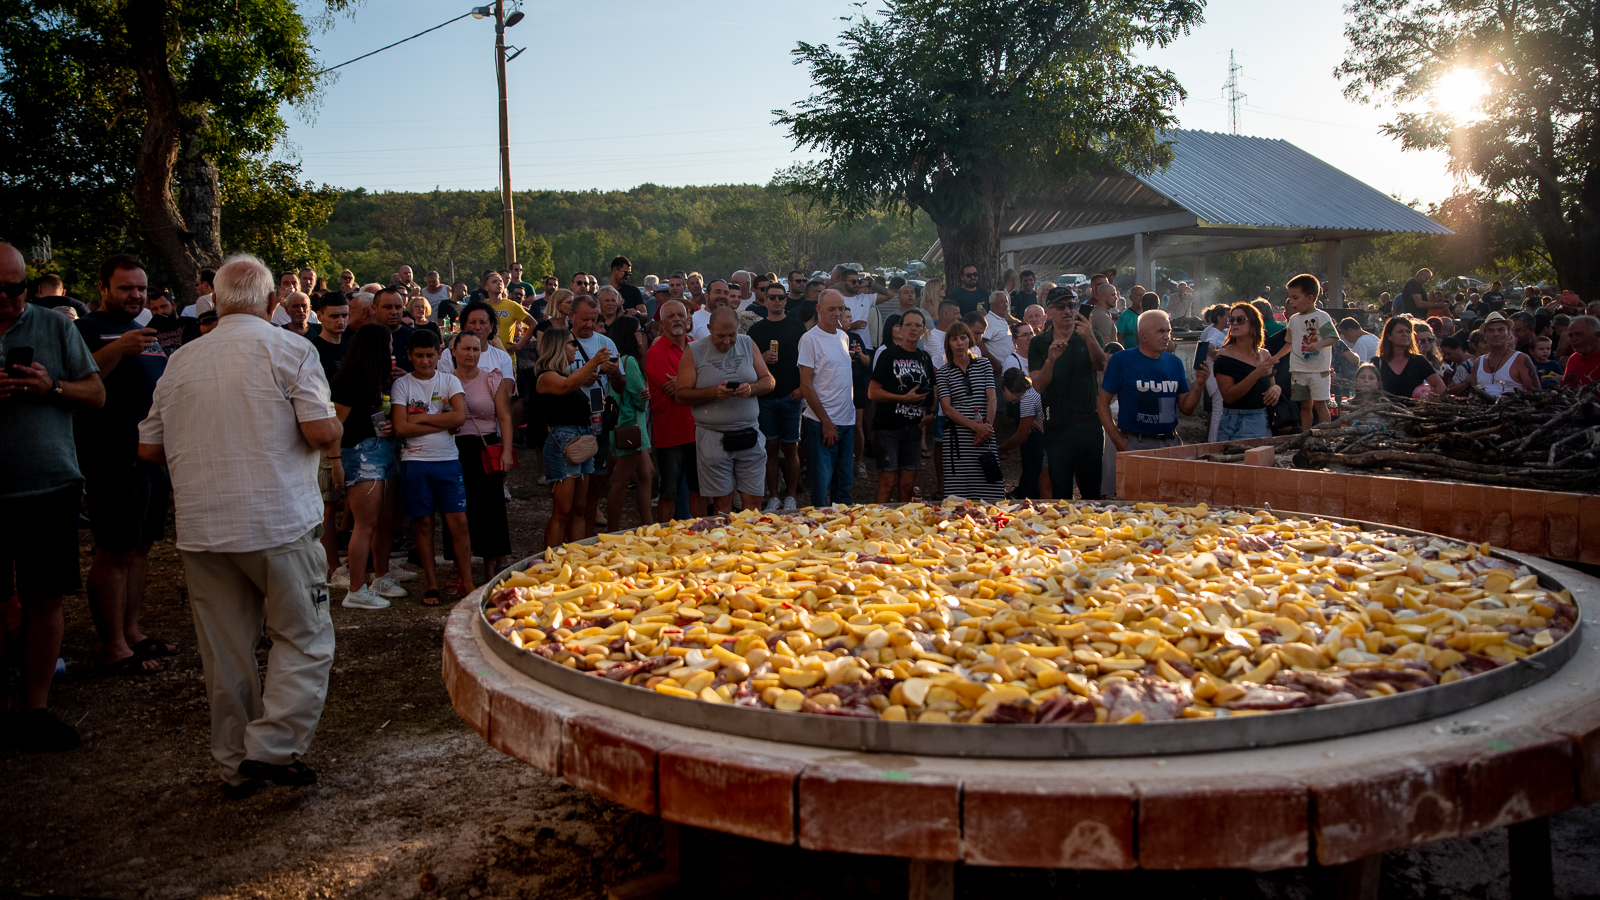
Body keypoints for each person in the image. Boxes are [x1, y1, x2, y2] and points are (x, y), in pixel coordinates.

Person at [137, 252, 340, 796]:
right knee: (304, 636)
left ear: (217, 302)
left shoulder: (181, 361)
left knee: (224, 653)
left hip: (203, 525)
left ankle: (233, 763)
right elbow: (321, 432)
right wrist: (335, 429)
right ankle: (272, 748)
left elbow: (149, 447)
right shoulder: (290, 348)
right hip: (278, 521)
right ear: (272, 303)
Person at [0, 242, 105, 751]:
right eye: (0, 290)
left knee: (45, 598)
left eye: (17, 287)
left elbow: (97, 394)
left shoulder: (56, 327)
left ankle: (36, 709)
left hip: (50, 486)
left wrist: (53, 388)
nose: (10, 298)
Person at [72, 254, 176, 677]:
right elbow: (78, 381)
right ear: (103, 289)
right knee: (113, 551)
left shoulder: (145, 332)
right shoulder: (84, 330)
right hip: (110, 457)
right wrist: (118, 347)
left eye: (141, 288)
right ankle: (111, 645)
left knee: (140, 547)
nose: (136, 295)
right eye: (125, 288)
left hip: (150, 457)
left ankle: (131, 631)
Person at [390, 329, 473, 605]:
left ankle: (467, 582)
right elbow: (401, 428)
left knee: (459, 522)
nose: (425, 361)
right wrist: (441, 421)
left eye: (430, 355)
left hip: (448, 460)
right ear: (409, 355)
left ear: (440, 354)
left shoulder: (449, 380)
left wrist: (419, 418)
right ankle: (432, 583)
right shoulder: (402, 385)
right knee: (423, 524)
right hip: (415, 462)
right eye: (419, 356)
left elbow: (459, 417)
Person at [328, 324, 407, 608]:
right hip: (360, 455)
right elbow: (334, 425)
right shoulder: (348, 379)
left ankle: (381, 577)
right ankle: (356, 590)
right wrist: (335, 462)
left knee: (385, 521)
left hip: (384, 450)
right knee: (365, 525)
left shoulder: (381, 377)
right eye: (389, 343)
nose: (392, 348)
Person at [675, 307, 774, 513]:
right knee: (722, 502)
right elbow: (681, 395)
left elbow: (769, 381)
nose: (727, 341)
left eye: (732, 335)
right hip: (713, 437)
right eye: (720, 336)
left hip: (749, 433)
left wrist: (751, 388)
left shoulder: (747, 343)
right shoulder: (694, 351)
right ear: (709, 328)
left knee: (754, 499)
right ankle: (724, 534)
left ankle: (752, 533)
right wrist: (713, 392)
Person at [447, 331, 514, 589]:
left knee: (490, 508)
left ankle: (490, 569)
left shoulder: (491, 379)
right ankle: (459, 569)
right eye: (466, 349)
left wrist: (506, 450)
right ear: (454, 351)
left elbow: (504, 416)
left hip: (486, 446)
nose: (471, 354)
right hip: (453, 448)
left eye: (476, 349)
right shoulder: (444, 380)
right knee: (458, 508)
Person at [1029, 287, 1107, 500]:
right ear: (1049, 311)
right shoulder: (1039, 343)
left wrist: (1089, 338)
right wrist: (1050, 361)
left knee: (1092, 491)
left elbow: (1101, 365)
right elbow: (1038, 386)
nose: (1067, 311)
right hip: (1058, 426)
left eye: (1071, 305)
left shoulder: (1091, 336)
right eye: (1061, 306)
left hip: (1089, 423)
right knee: (1061, 492)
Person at [1099, 310, 1208, 453]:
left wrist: (1199, 384)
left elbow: (1187, 409)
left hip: (1171, 442)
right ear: (1143, 335)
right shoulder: (1122, 360)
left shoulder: (1174, 362)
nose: (1166, 336)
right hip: (1137, 444)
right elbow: (1102, 402)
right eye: (1161, 331)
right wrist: (1119, 441)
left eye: (1168, 331)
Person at [537, 328, 607, 547]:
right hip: (563, 443)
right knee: (563, 511)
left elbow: (570, 387)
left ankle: (577, 557)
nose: (576, 348)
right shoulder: (546, 376)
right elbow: (566, 387)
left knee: (579, 509)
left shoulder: (566, 376)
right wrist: (594, 361)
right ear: (559, 347)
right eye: (572, 344)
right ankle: (550, 559)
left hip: (582, 440)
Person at [747, 282, 806, 511]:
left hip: (792, 396)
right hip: (765, 397)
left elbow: (807, 361)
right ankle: (773, 496)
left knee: (791, 448)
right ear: (764, 299)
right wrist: (761, 358)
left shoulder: (797, 327)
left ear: (786, 300)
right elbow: (747, 365)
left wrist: (803, 389)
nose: (776, 301)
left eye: (780, 297)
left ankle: (791, 496)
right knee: (769, 448)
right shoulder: (755, 330)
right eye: (772, 297)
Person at [867, 308, 936, 503]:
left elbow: (932, 388)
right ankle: (879, 520)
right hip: (887, 428)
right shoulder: (888, 355)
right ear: (901, 328)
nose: (913, 329)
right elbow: (873, 392)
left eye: (917, 325)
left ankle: (904, 521)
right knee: (888, 483)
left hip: (914, 429)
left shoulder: (925, 358)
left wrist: (932, 412)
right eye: (908, 325)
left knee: (907, 485)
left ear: (923, 330)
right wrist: (903, 398)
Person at [799, 290, 857, 507]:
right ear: (819, 309)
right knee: (822, 486)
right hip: (822, 422)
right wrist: (825, 421)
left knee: (844, 483)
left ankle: (843, 524)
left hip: (846, 420)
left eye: (841, 308)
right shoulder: (809, 339)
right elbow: (806, 385)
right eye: (831, 309)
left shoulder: (843, 337)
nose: (837, 313)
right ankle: (819, 525)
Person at [646, 300, 703, 522]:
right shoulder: (655, 352)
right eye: (670, 316)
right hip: (671, 434)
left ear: (688, 319)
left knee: (699, 489)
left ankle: (701, 532)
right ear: (661, 323)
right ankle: (664, 534)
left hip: (698, 430)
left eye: (680, 315)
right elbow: (676, 392)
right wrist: (696, 383)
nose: (677, 319)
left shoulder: (696, 348)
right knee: (668, 492)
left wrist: (685, 383)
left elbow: (689, 384)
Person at [936, 321, 1003, 502]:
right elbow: (947, 408)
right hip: (959, 436)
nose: (959, 342)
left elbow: (992, 398)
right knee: (959, 494)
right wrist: (976, 427)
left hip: (985, 433)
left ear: (969, 340)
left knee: (990, 491)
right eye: (954, 339)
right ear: (948, 343)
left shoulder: (984, 365)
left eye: (963, 337)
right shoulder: (943, 373)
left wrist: (986, 428)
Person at [570, 296, 620, 536]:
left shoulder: (606, 342)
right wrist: (584, 375)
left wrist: (614, 372)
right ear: (571, 316)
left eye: (594, 319)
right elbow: (550, 382)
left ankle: (588, 538)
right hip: (570, 424)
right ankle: (568, 541)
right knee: (571, 495)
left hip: (599, 422)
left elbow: (619, 386)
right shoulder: (561, 341)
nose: (589, 324)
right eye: (584, 319)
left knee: (593, 489)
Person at [603, 316, 654, 530]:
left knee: (647, 473)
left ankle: (648, 525)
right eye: (639, 330)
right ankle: (613, 529)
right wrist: (646, 394)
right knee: (622, 480)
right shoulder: (629, 361)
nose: (641, 334)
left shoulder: (619, 359)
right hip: (630, 425)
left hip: (628, 424)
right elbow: (639, 398)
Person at [1211, 303, 1283, 441]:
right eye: (1231, 320)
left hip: (1265, 420)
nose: (1234, 323)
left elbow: (1271, 384)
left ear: (1254, 323)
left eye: (1240, 320)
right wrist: (1256, 374)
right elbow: (1229, 396)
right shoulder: (1225, 355)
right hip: (1238, 422)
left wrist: (1276, 389)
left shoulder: (1264, 354)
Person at [1285, 273, 1336, 430]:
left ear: (1310, 298)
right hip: (1298, 369)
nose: (1291, 302)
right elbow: (1289, 343)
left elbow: (1333, 337)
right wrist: (1275, 357)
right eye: (1290, 298)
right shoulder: (1293, 320)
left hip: (1318, 370)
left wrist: (1319, 345)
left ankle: (1327, 435)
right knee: (1305, 405)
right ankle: (1305, 435)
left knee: (1320, 405)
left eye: (1295, 298)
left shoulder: (1321, 316)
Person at [997, 368, 1049, 500]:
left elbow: (1021, 435)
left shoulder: (1027, 399)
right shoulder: (1033, 393)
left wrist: (1000, 449)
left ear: (1007, 389)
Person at [1373, 316, 1446, 398]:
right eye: (1400, 332)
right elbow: (1367, 389)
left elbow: (1441, 387)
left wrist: (1428, 400)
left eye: (1408, 332)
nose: (1405, 335)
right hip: (1384, 406)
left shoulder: (1418, 361)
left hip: (1413, 406)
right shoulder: (1377, 362)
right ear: (1389, 336)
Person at [1471, 312, 1538, 398]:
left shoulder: (1520, 359)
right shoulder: (1479, 362)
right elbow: (1473, 393)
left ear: (1509, 334)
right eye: (1491, 330)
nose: (1496, 334)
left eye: (1501, 330)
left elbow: (1535, 392)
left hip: (1513, 405)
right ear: (1485, 336)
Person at [309, 295, 350, 382]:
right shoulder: (312, 351)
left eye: (344, 315)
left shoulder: (352, 346)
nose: (341, 321)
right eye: (334, 316)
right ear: (319, 316)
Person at [1561, 315, 1600, 386]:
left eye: (1579, 334)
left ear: (1597, 335)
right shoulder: (1573, 358)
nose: (1573, 339)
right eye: (1570, 335)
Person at [1088, 282, 1118, 348]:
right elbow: (1107, 347)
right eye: (1113, 295)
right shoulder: (1103, 317)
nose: (1116, 298)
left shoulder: (1097, 312)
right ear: (1104, 297)